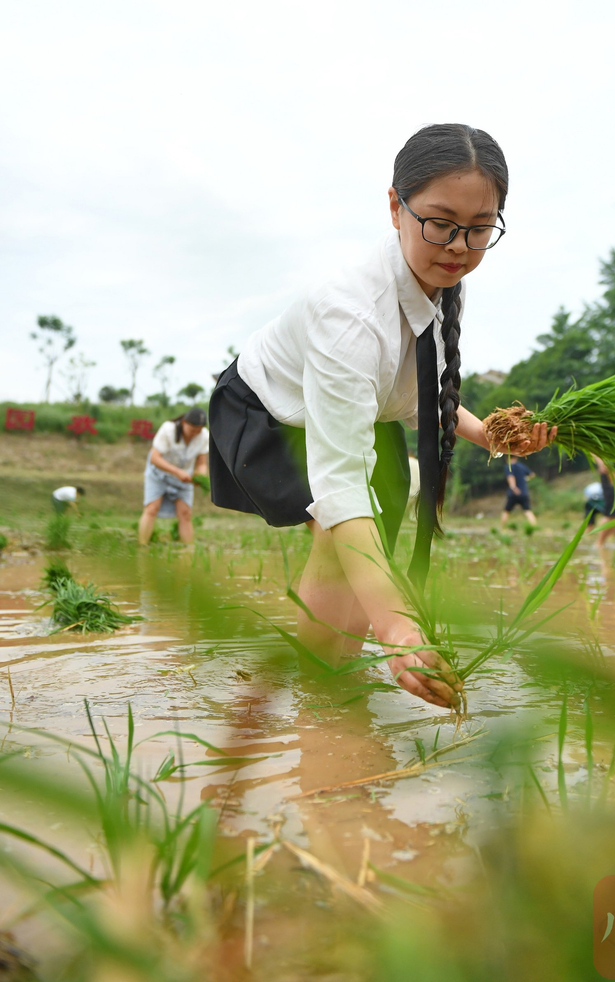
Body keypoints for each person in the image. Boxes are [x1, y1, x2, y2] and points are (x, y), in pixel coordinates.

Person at [209, 123, 556, 710]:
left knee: (370, 540)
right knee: (337, 528)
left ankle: (340, 669)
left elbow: (416, 385)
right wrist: (399, 629)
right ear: (395, 206)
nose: (457, 247)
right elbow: (339, 490)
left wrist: (491, 435)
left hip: (367, 416)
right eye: (441, 223)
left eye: (478, 230)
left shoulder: (446, 278)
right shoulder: (349, 314)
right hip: (272, 409)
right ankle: (320, 693)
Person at [139, 407, 209, 545]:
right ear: (184, 423)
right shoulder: (168, 430)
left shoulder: (205, 436)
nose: (195, 433)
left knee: (185, 513)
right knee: (152, 508)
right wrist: (177, 472)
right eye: (192, 429)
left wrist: (200, 475)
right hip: (159, 473)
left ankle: (189, 550)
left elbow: (201, 463)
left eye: (199, 430)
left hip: (184, 477)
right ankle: (142, 546)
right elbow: (154, 458)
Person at [500, 456, 536, 528]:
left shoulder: (508, 466)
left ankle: (502, 528)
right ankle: (534, 527)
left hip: (514, 493)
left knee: (506, 510)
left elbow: (510, 477)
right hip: (523, 492)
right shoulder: (522, 466)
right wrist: (525, 479)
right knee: (527, 510)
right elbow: (532, 475)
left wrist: (513, 487)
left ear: (507, 459)